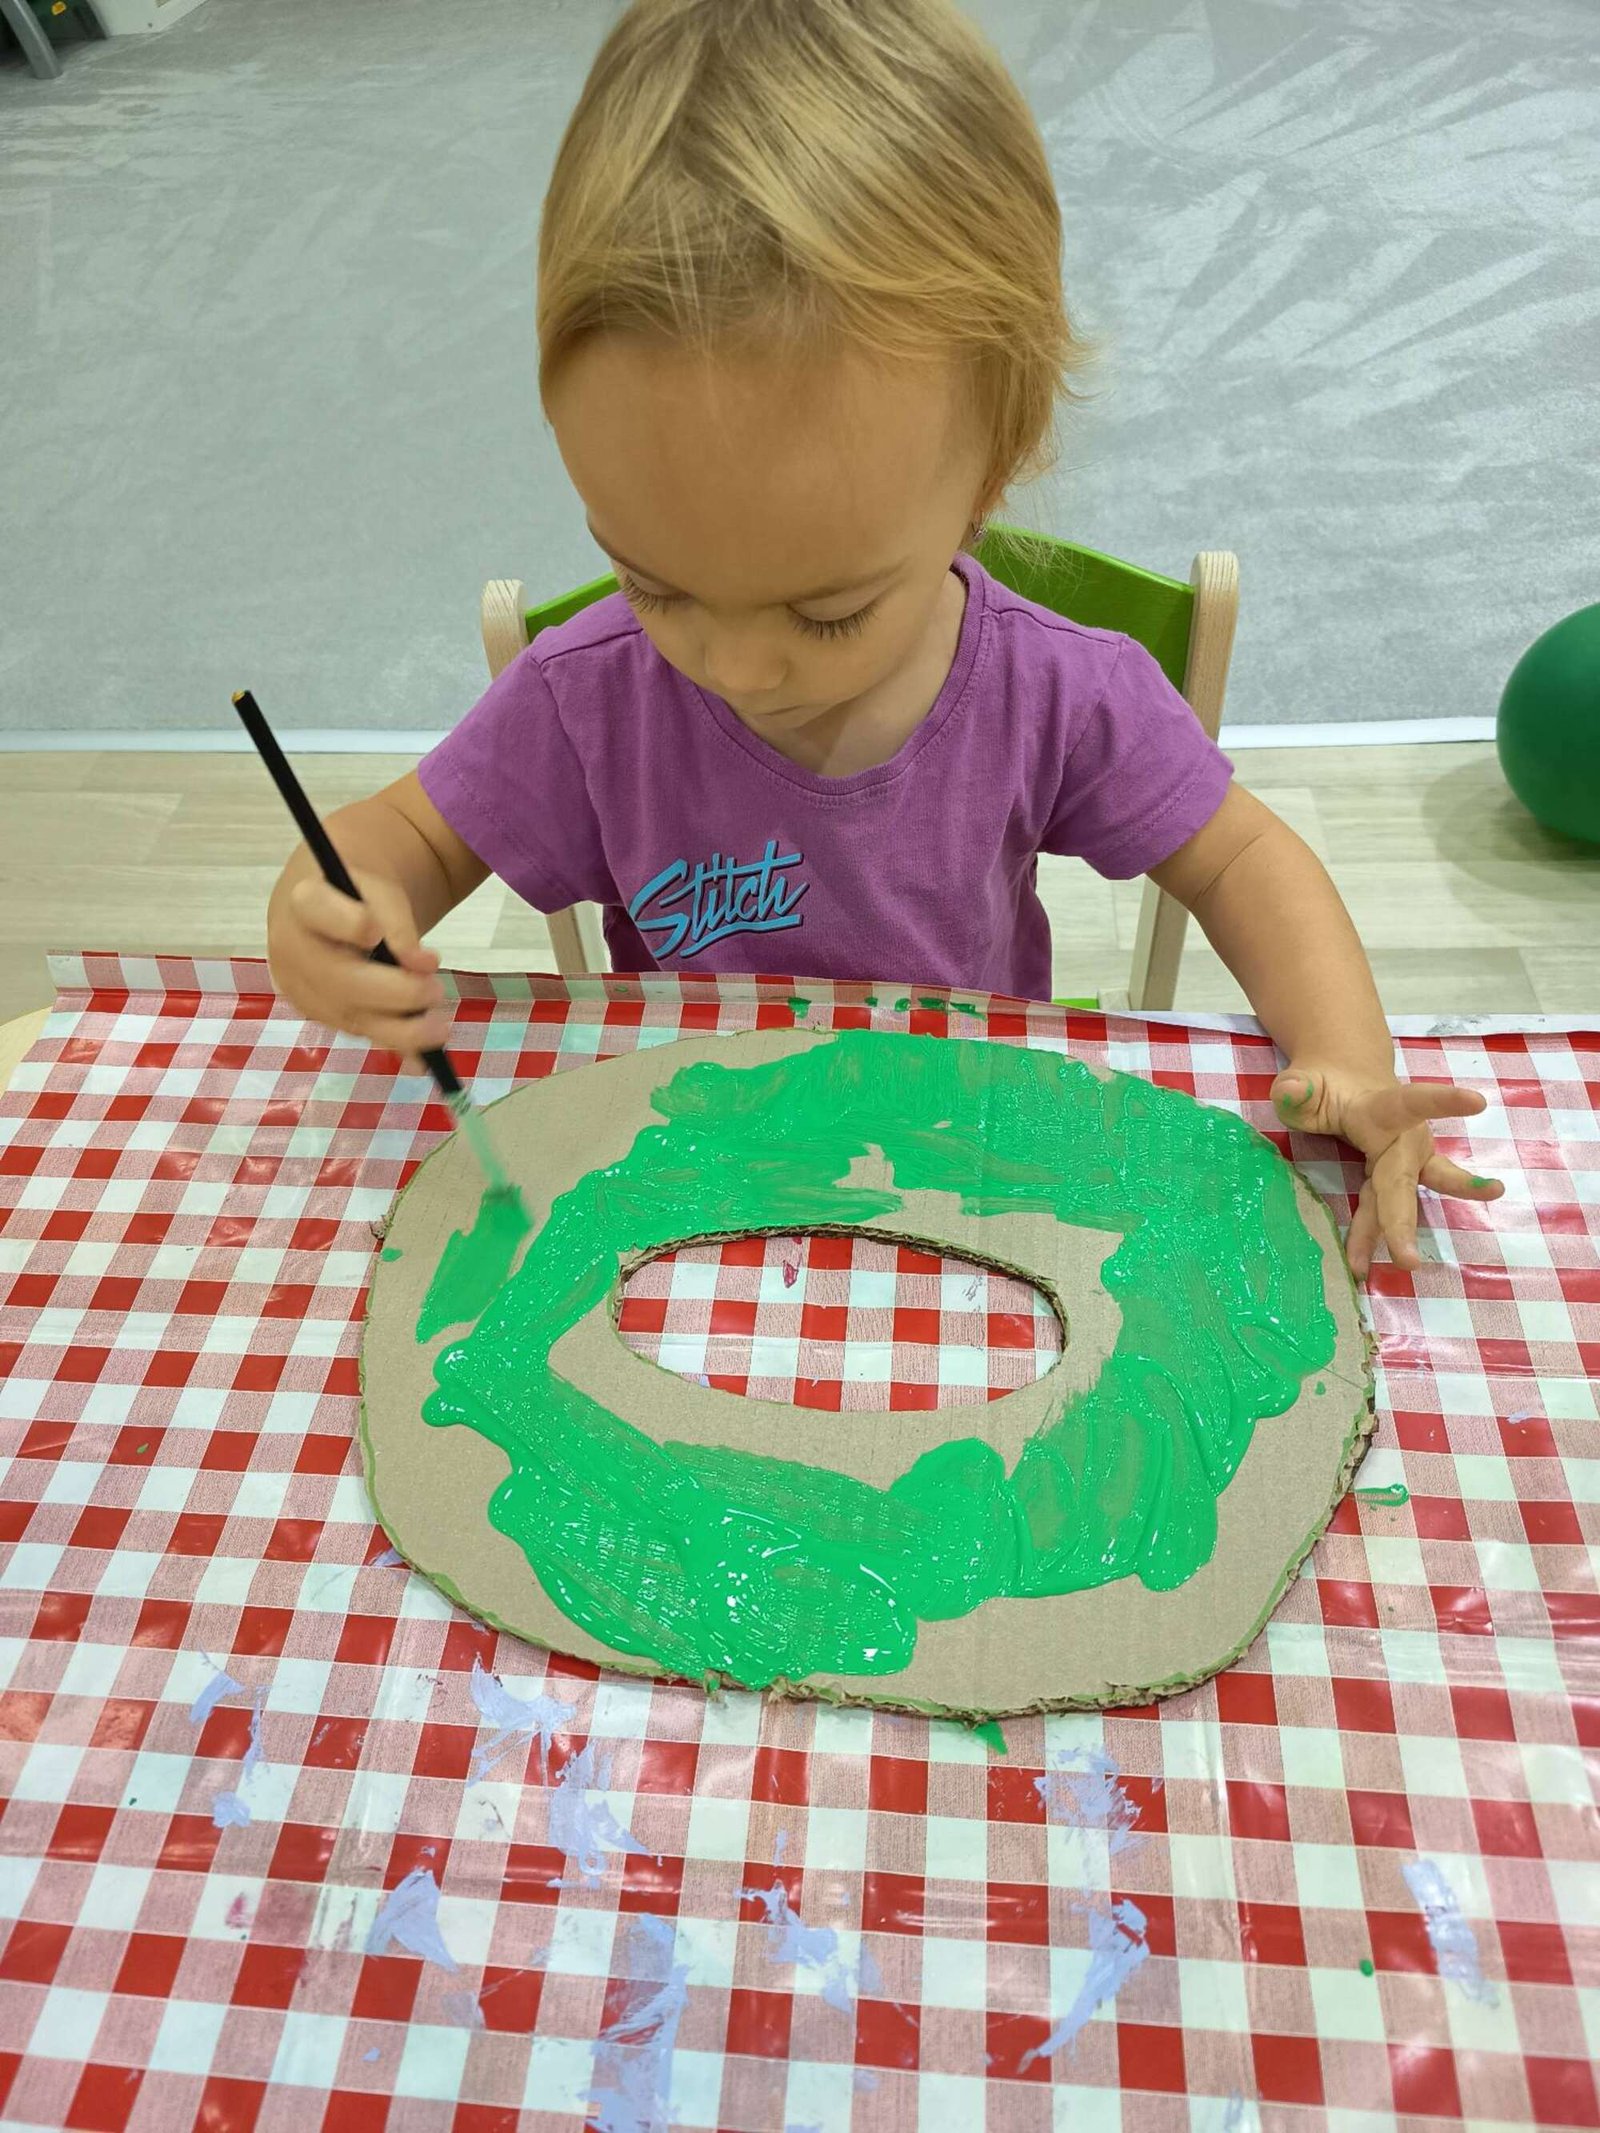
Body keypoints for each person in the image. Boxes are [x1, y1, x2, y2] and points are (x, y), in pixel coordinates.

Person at [267, 0, 1499, 1276]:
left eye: (827, 611)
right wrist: (333, 904)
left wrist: (1345, 1054)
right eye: (652, 582)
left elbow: (1242, 859)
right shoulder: (586, 702)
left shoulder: (1051, 691)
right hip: (691, 1190)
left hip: (969, 1188)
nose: (736, 668)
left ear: (989, 477)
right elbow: (407, 840)